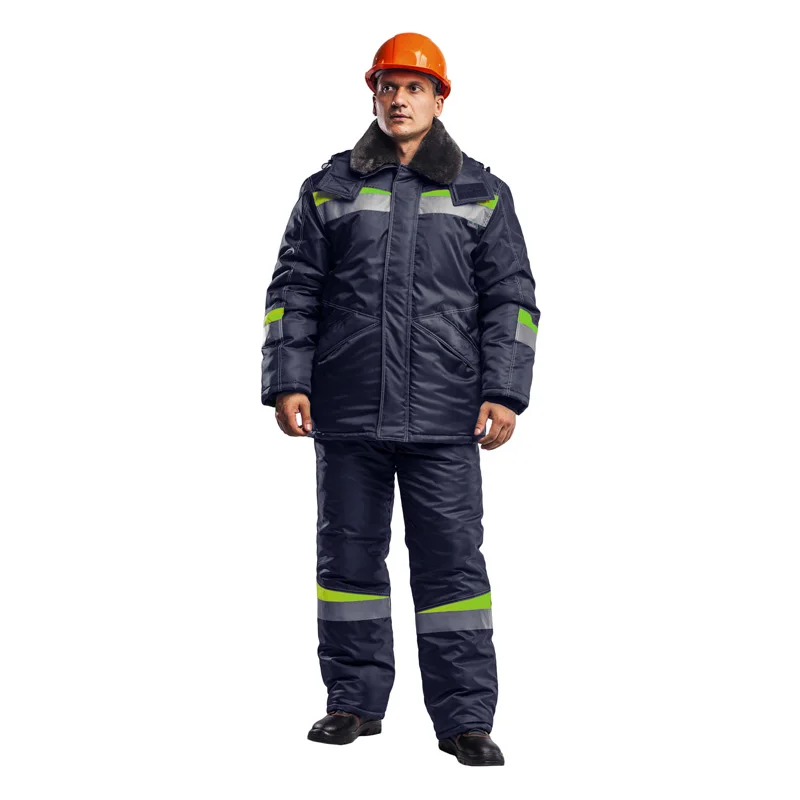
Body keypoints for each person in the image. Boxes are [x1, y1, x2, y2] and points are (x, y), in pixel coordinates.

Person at [260, 32, 540, 767]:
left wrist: (504, 391)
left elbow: (511, 301)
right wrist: (289, 379)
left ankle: (465, 719)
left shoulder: (482, 192)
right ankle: (352, 703)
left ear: (440, 99)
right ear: (373, 95)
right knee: (348, 563)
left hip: (447, 414)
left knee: (453, 571)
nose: (399, 98)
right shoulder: (329, 188)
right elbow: (293, 290)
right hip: (347, 408)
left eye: (415, 87)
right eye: (388, 86)